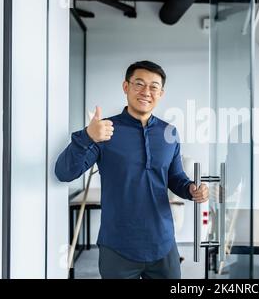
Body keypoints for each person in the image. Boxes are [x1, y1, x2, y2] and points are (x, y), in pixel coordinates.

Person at [55, 60, 209, 279]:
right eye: (139, 83)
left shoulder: (169, 133)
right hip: (117, 246)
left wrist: (191, 189)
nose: (146, 91)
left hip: (163, 244)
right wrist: (87, 137)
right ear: (126, 87)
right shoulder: (104, 130)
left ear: (161, 93)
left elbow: (175, 178)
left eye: (154, 86)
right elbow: (64, 173)